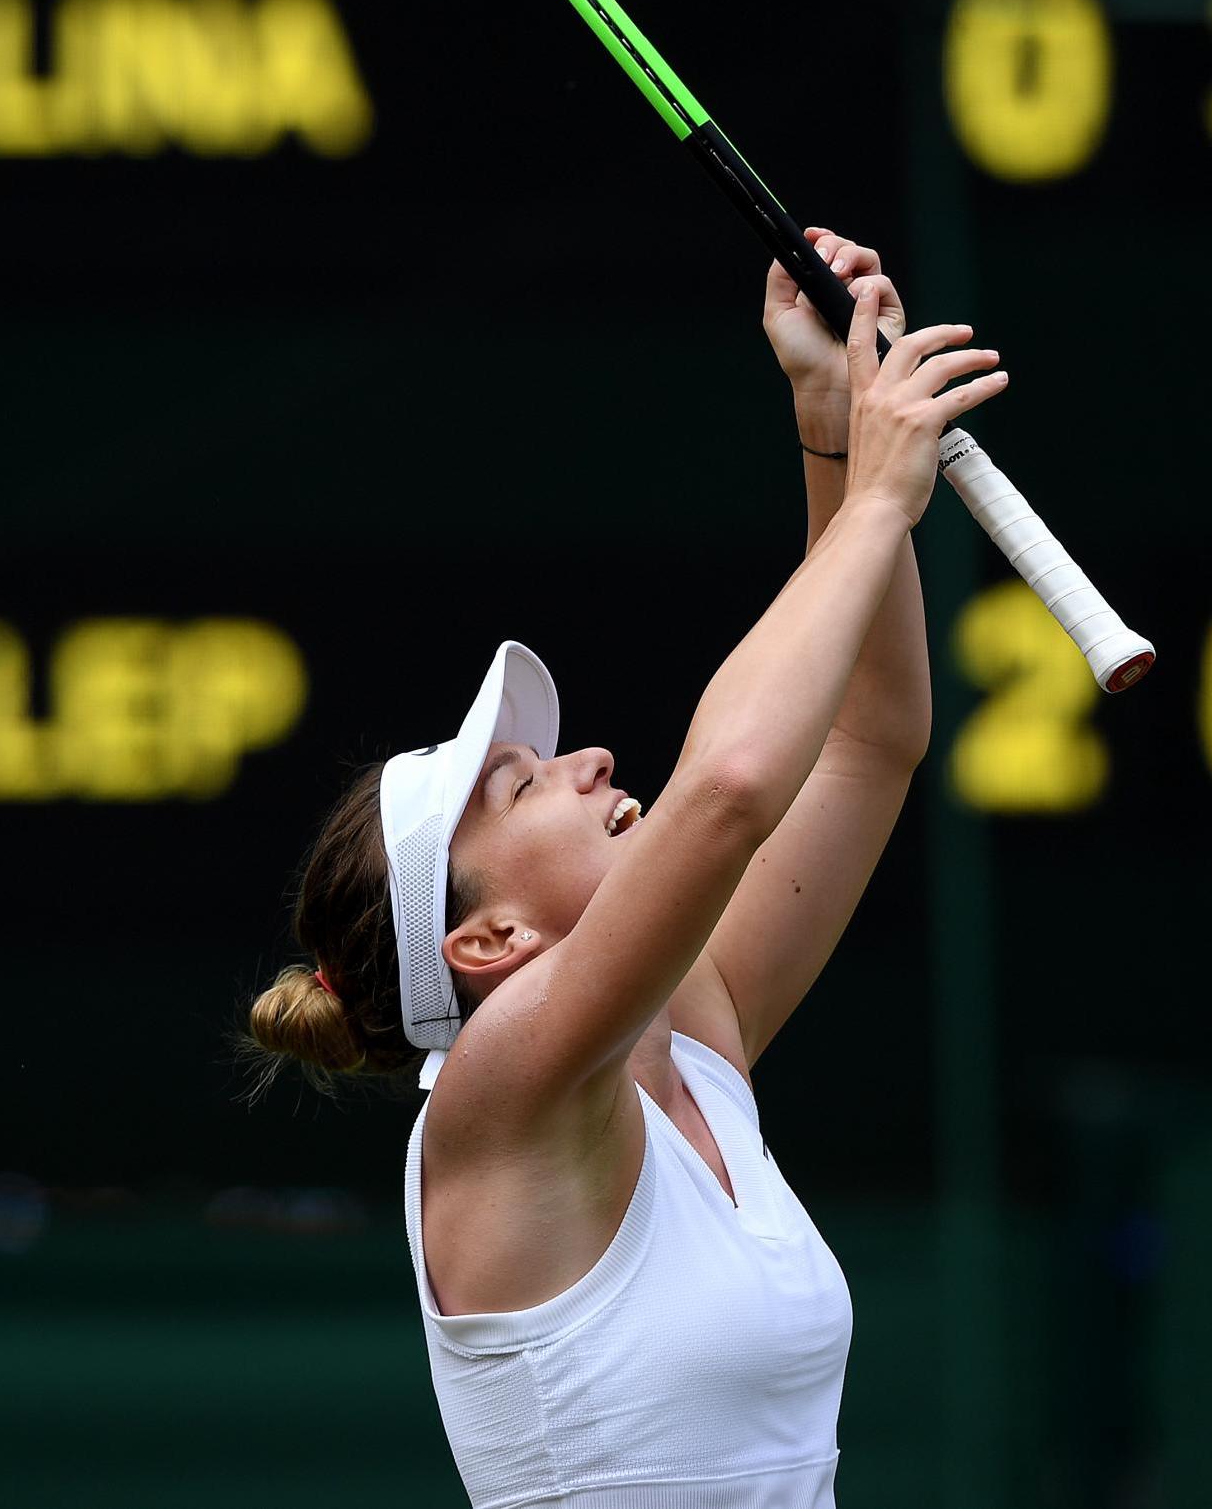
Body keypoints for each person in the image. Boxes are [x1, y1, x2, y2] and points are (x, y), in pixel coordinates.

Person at [244, 231, 1006, 1507]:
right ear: (486, 947)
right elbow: (729, 791)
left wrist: (827, 429)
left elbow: (869, 739)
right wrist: (879, 495)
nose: (587, 758)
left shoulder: (690, 1035)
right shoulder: (498, 1093)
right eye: (521, 785)